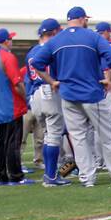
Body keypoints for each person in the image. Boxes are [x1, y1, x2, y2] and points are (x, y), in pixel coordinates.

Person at [28, 7, 111, 187]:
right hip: (92, 94)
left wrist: (52, 81)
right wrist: (109, 79)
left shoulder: (56, 40)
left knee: (78, 138)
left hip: (68, 95)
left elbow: (37, 63)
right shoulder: (91, 36)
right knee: (107, 135)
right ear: (82, 18)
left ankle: (87, 178)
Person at [25, 19, 69, 185]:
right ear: (53, 32)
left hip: (36, 94)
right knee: (54, 137)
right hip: (50, 90)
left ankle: (51, 174)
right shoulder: (53, 49)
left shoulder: (32, 51)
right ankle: (51, 176)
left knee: (48, 136)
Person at [0, 29, 29, 185]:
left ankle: (1, 174)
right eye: (10, 39)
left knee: (0, 142)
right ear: (6, 41)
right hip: (11, 105)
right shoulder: (7, 57)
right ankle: (16, 175)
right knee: (13, 143)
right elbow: (17, 83)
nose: (11, 42)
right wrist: (26, 99)